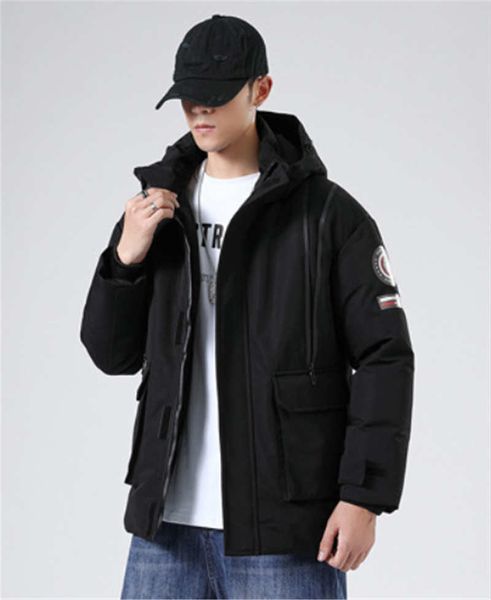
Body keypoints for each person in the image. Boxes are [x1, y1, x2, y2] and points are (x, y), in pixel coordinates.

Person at [80, 14, 415, 600]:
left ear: (261, 89)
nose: (199, 111)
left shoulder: (327, 217)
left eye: (216, 94)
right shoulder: (157, 210)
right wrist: (125, 259)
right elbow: (112, 355)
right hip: (166, 527)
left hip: (284, 531)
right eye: (189, 97)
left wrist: (363, 497)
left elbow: (385, 357)